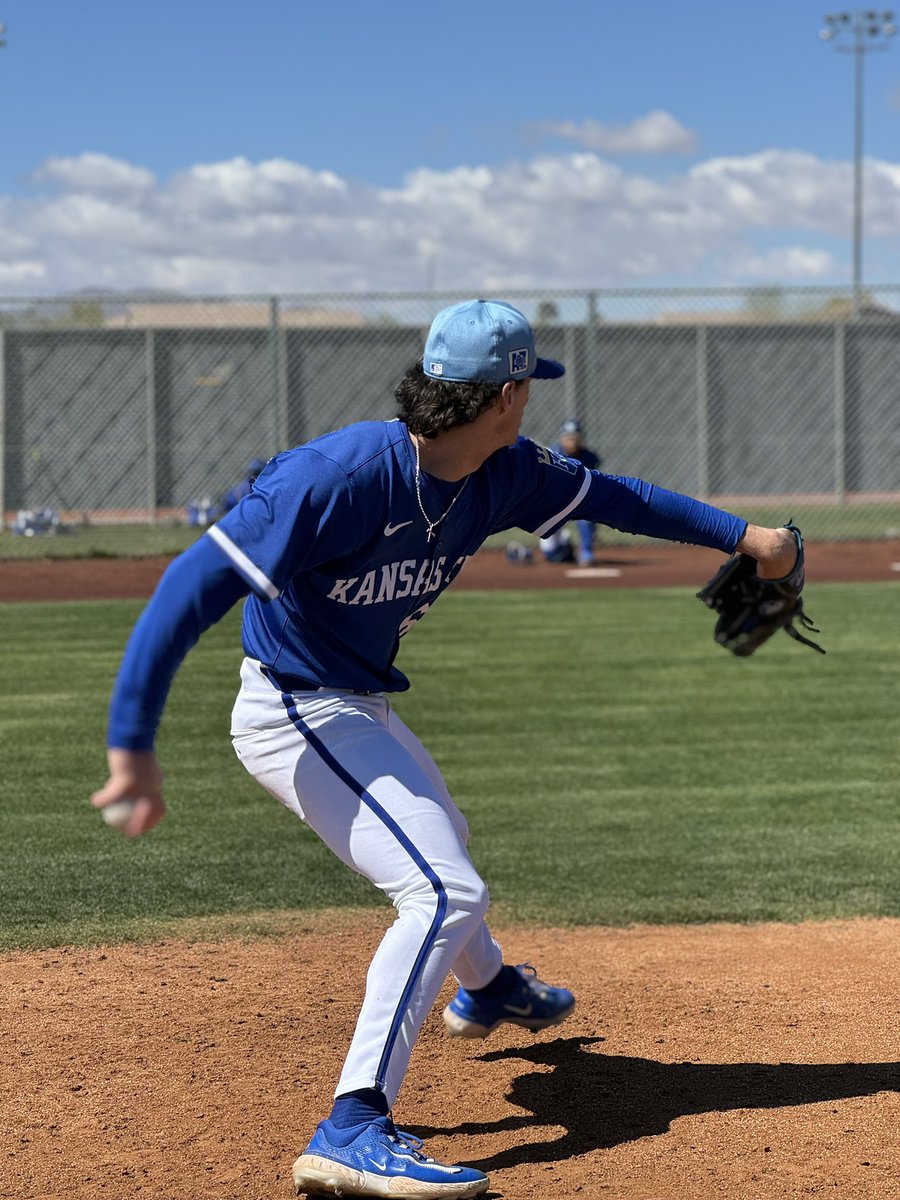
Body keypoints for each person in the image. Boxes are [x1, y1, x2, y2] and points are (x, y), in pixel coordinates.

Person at [92, 298, 801, 1200]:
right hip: (291, 712)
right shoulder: (335, 478)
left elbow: (620, 499)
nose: (531, 404)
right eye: (529, 388)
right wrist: (131, 744)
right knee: (441, 889)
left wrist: (752, 538)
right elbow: (187, 586)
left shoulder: (505, 473)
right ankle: (352, 1127)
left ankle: (493, 987)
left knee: (445, 842)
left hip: (356, 705)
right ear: (506, 396)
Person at [538, 419, 602, 565]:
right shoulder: (551, 454)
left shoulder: (589, 457)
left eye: (575, 438)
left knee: (586, 514)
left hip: (578, 500)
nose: (572, 441)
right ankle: (564, 546)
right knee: (553, 555)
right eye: (568, 437)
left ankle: (586, 552)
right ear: (561, 438)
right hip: (554, 504)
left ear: (581, 439)